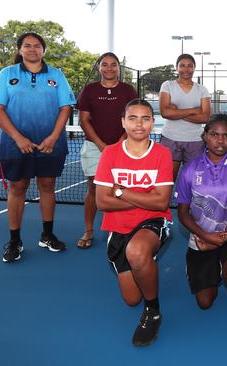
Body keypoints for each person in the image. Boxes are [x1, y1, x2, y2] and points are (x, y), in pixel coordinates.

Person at [0, 32, 75, 262]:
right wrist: (18, 138)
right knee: (17, 188)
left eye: (37, 46)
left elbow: (66, 107)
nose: (33, 49)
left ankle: (47, 235)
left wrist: (54, 137)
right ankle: (14, 241)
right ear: (20, 49)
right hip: (15, 145)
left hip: (50, 144)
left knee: (48, 186)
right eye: (27, 45)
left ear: (43, 50)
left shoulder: (56, 75)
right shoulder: (7, 74)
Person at [94, 99, 174, 347]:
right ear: (123, 122)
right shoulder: (110, 153)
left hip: (154, 221)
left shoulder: (162, 154)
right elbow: (101, 203)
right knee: (131, 299)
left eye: (145, 118)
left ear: (153, 122)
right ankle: (145, 269)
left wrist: (122, 192)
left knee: (137, 251)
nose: (139, 124)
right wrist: (145, 198)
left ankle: (153, 312)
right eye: (133, 118)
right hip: (118, 227)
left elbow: (161, 204)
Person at [176, 114, 227, 310]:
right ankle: (205, 264)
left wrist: (223, 237)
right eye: (214, 134)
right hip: (201, 233)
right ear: (204, 136)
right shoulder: (189, 170)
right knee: (204, 302)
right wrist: (205, 236)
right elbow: (183, 213)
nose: (220, 140)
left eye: (226, 135)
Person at [76, 52, 138, 249]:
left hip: (125, 146)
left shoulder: (128, 91)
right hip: (94, 147)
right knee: (94, 187)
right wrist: (102, 145)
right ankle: (89, 230)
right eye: (105, 64)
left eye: (113, 65)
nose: (109, 68)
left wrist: (120, 143)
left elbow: (134, 117)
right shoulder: (89, 90)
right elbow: (83, 120)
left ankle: (123, 228)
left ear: (118, 68)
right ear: (99, 68)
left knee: (122, 188)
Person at [159, 54, 211, 179]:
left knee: (192, 181)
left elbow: (205, 118)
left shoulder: (202, 89)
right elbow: (165, 112)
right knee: (167, 180)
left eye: (190, 66)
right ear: (176, 68)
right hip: (170, 139)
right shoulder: (167, 85)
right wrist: (194, 110)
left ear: (194, 68)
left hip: (195, 141)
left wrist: (176, 111)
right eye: (182, 65)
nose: (186, 69)